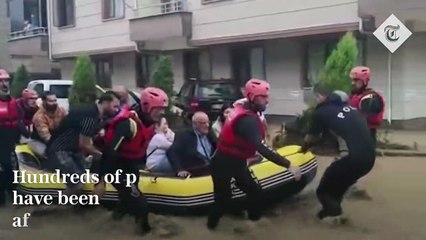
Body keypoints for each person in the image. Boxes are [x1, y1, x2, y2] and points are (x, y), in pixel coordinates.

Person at [207, 78, 302, 230]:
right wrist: (288, 165)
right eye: (262, 97)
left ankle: (253, 224)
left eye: (266, 97)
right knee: (223, 199)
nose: (267, 101)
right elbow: (262, 147)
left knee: (255, 192)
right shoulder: (248, 121)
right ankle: (211, 228)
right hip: (223, 162)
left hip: (236, 161)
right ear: (252, 97)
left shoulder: (242, 106)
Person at [94, 87, 169, 229]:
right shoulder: (127, 124)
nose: (162, 112)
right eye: (159, 109)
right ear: (147, 107)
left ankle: (110, 224)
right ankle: (145, 233)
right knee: (140, 204)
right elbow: (110, 152)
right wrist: (101, 182)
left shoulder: (150, 122)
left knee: (126, 200)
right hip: (116, 167)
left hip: (131, 166)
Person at [299, 84, 376, 223]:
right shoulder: (354, 110)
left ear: (319, 97)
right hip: (369, 160)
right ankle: (330, 214)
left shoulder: (321, 111)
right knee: (337, 189)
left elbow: (312, 138)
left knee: (322, 191)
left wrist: (303, 149)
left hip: (352, 159)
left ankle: (335, 214)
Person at [47, 93, 120, 195]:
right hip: (60, 149)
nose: (117, 110)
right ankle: (62, 206)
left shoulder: (93, 113)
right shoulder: (90, 116)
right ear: (105, 103)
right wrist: (101, 155)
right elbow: (84, 145)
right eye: (115, 106)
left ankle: (70, 203)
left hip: (73, 149)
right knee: (77, 183)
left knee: (82, 179)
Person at [0, 69, 26, 206]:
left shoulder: (15, 103)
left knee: (13, 168)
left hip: (12, 138)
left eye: (6, 81)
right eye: (1, 81)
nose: (4, 84)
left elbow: (20, 120)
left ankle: (13, 194)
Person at [168, 111, 216, 178]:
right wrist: (179, 170)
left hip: (213, 170)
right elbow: (172, 152)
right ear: (195, 124)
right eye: (203, 123)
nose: (207, 125)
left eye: (208, 122)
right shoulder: (184, 136)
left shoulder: (211, 135)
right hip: (196, 173)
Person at [349, 66, 385, 145]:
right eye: (352, 80)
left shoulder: (371, 98)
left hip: (365, 135)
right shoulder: (355, 95)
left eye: (356, 80)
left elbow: (364, 118)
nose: (353, 83)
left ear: (364, 81)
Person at [30, 91, 66, 157]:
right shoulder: (39, 116)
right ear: (44, 101)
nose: (54, 103)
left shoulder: (62, 111)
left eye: (55, 100)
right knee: (49, 154)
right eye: (51, 101)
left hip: (57, 139)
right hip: (39, 141)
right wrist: (59, 145)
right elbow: (46, 136)